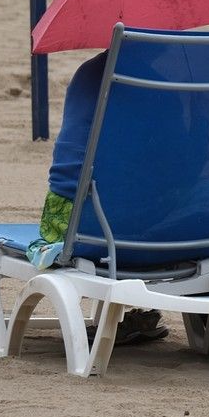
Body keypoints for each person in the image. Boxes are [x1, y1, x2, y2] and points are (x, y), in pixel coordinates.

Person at [28, 51, 169, 345]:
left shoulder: (88, 75)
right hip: (172, 234)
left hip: (83, 229)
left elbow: (67, 176)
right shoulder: (180, 83)